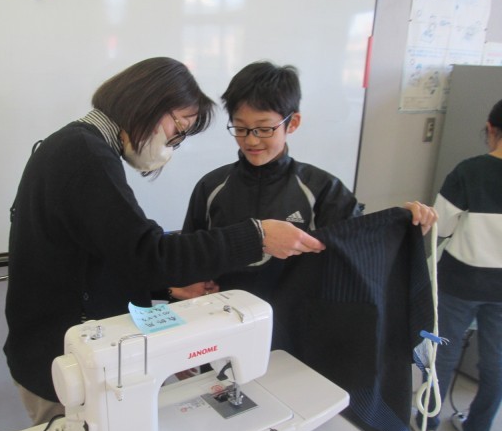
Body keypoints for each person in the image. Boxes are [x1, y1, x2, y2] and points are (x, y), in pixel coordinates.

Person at [3, 57, 327, 425]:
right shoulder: (85, 153)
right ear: (148, 104)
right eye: (179, 128)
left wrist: (169, 289)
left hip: (64, 351)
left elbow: (113, 254)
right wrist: (258, 236)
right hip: (66, 363)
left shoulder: (78, 147)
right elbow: (150, 254)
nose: (173, 143)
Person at [169, 61, 437, 303]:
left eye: (264, 128)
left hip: (296, 321)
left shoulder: (323, 189)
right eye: (240, 128)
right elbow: (189, 256)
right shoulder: (212, 187)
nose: (251, 139)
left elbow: (361, 249)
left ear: (293, 123)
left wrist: (408, 229)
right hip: (223, 315)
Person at [412, 98, 502, 431]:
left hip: (460, 282)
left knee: (443, 353)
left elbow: (442, 226)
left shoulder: (470, 171)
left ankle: (428, 422)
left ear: (490, 129)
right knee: (497, 362)